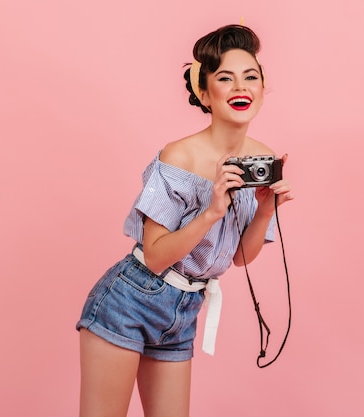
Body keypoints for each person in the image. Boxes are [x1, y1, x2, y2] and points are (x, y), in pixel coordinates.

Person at [76, 24, 294, 417]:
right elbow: (157, 257)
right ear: (205, 93)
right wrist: (212, 211)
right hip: (131, 299)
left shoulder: (261, 158)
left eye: (250, 77)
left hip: (184, 309)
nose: (240, 87)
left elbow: (241, 258)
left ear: (263, 89)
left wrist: (264, 209)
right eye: (224, 78)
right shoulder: (179, 158)